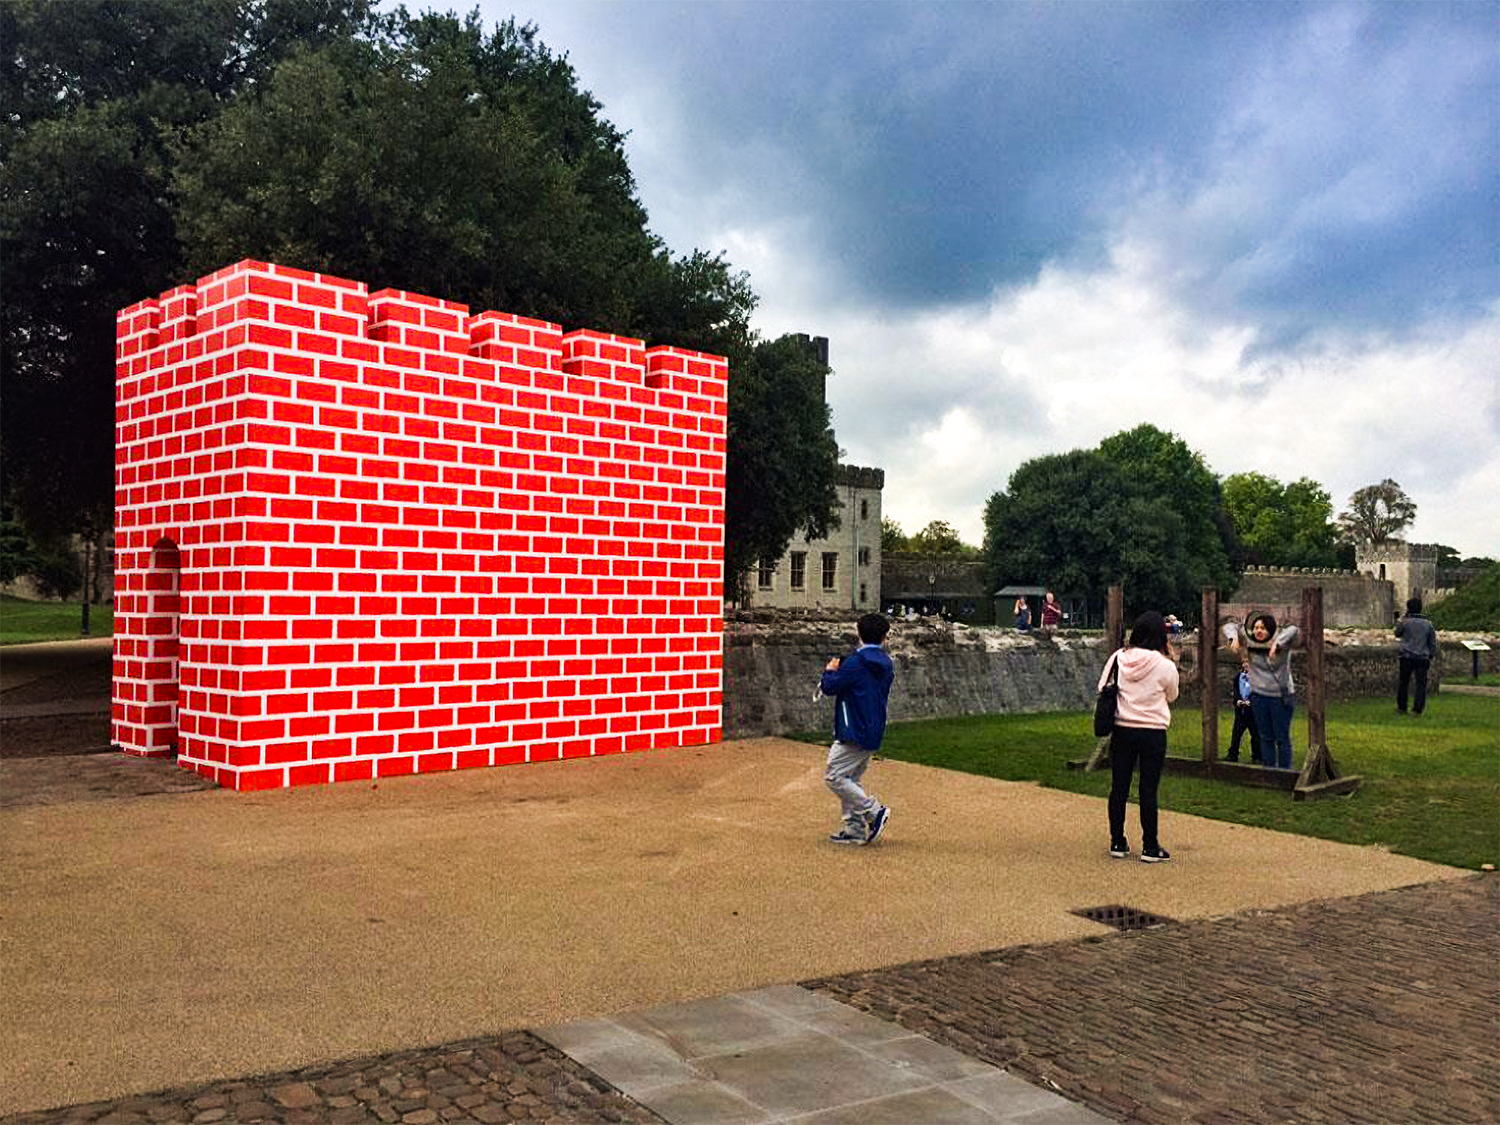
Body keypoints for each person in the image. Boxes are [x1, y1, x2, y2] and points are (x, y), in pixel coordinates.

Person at [1100, 610, 1180, 863]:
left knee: (1119, 786)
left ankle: (1117, 841)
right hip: (1153, 731)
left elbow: (1103, 686)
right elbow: (1172, 695)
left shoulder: (1118, 658)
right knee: (1148, 788)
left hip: (1123, 728)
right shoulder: (1165, 665)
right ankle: (1150, 845)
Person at [820, 613, 896, 846]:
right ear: (885, 637)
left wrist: (831, 670)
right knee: (850, 778)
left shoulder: (855, 662)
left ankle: (874, 811)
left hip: (853, 727)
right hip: (872, 726)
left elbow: (830, 687)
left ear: (859, 633)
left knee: (834, 776)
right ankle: (854, 829)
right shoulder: (885, 662)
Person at [1224, 613, 1300, 770]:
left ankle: (1285, 772)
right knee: (1265, 737)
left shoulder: (1282, 641)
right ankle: (1269, 771)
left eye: (1263, 628)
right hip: (1259, 696)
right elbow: (1228, 624)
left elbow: (1294, 628)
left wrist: (1277, 643)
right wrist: (1234, 637)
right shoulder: (1251, 642)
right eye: (1256, 628)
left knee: (1281, 737)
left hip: (1280, 696)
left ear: (1271, 630)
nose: (1259, 631)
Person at [1395, 597, 1439, 715]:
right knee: (1421, 684)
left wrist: (1402, 618)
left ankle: (1402, 707)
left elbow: (1397, 633)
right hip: (1422, 657)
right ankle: (1418, 708)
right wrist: (1431, 654)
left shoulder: (1405, 622)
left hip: (1406, 656)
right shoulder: (1428, 624)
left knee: (1403, 683)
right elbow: (1432, 642)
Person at [1226, 662, 1262, 764]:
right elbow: (1236, 690)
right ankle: (1233, 754)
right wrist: (1237, 700)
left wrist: (1251, 702)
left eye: (1249, 664)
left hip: (1253, 712)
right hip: (1240, 711)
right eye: (1245, 664)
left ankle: (1257, 756)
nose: (1246, 666)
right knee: (1236, 733)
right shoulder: (1238, 677)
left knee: (1255, 734)